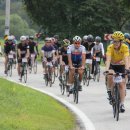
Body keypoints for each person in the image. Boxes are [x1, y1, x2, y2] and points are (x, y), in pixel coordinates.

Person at [105, 31, 129, 113]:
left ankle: (122, 104)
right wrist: (107, 69)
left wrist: (127, 69)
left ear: (121, 41)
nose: (115, 43)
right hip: (112, 65)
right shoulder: (110, 47)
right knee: (110, 76)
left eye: (117, 41)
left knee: (122, 84)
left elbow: (126, 58)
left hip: (121, 66)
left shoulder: (125, 47)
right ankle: (109, 90)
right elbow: (108, 59)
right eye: (114, 41)